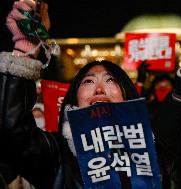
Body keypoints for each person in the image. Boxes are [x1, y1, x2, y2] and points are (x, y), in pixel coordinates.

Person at [0, 1, 151, 188]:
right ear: (74, 100)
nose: (99, 88)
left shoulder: (155, 150)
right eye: (88, 81)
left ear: (126, 96)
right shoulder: (57, 154)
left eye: (110, 80)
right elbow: (14, 132)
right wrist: (26, 48)